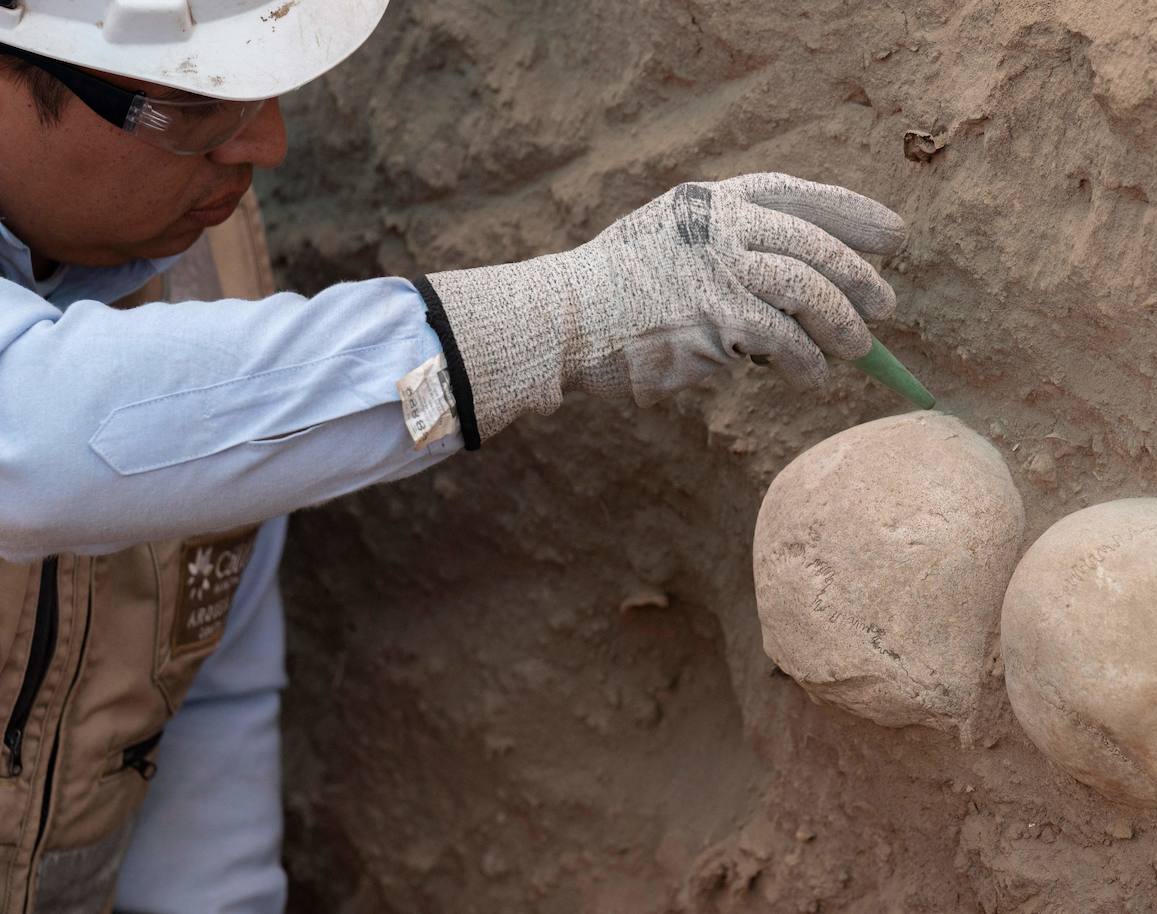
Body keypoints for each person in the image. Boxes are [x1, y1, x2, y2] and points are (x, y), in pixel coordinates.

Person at [0, 1, 907, 911]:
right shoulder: (81, 351)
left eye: (260, 90)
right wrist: (563, 316)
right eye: (192, 109)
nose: (264, 144)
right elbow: (41, 442)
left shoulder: (194, 246)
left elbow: (206, 672)